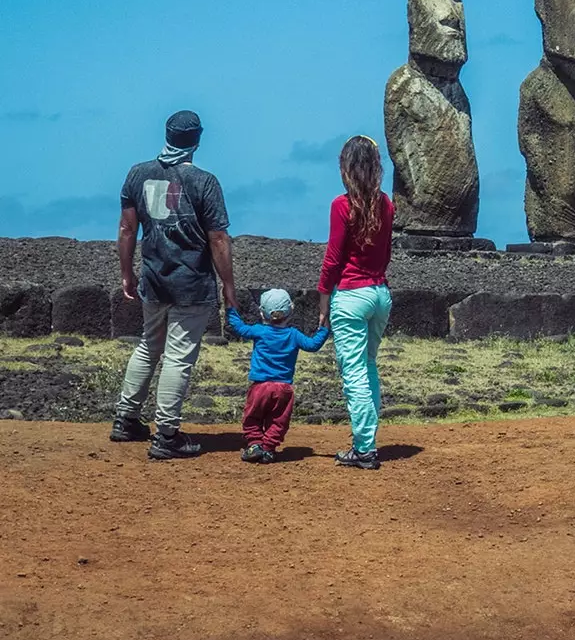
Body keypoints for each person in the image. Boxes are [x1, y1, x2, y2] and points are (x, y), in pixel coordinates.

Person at [112, 110, 236, 460]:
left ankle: (126, 418)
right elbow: (218, 238)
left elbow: (126, 228)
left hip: (153, 276)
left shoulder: (138, 174)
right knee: (179, 357)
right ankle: (167, 434)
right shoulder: (204, 182)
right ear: (197, 140)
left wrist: (127, 272)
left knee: (149, 345)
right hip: (191, 282)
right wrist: (228, 286)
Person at [318, 135, 394, 471]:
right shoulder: (386, 204)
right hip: (379, 292)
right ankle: (367, 440)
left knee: (355, 374)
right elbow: (386, 252)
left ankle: (364, 448)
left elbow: (333, 258)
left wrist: (323, 297)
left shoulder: (342, 205)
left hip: (351, 295)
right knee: (369, 365)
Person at [226, 289, 328, 463]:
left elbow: (238, 327)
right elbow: (312, 345)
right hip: (283, 388)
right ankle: (268, 448)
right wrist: (324, 328)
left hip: (260, 386)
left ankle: (255, 444)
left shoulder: (259, 331)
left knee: (252, 417)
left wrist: (230, 309)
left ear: (261, 312)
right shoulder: (294, 335)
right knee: (278, 421)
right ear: (291, 309)